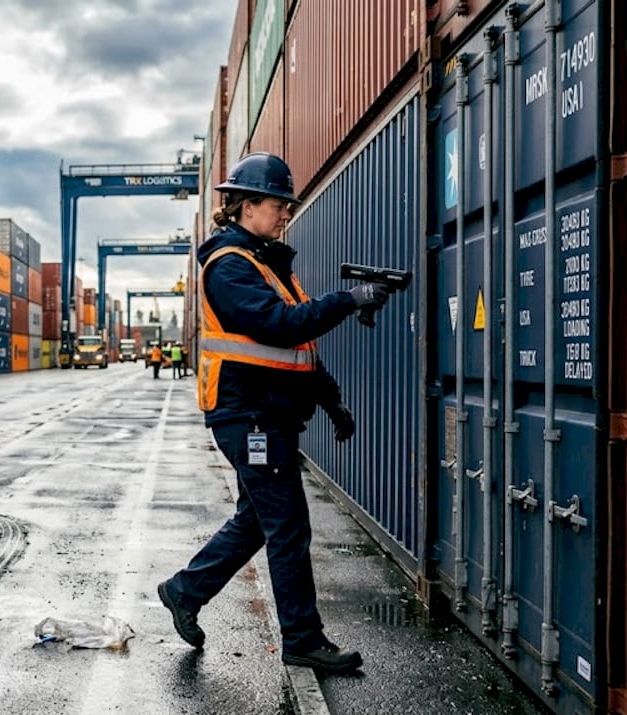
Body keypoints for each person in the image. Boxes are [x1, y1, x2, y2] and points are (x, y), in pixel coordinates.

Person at [156, 152, 391, 673]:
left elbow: (299, 348)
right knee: (288, 526)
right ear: (247, 205)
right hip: (249, 417)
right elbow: (278, 325)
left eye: (287, 205)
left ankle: (184, 591)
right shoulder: (229, 266)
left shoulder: (265, 263)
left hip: (267, 413)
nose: (286, 212)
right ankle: (303, 639)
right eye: (278, 204)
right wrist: (349, 299)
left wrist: (331, 399)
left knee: (258, 521)